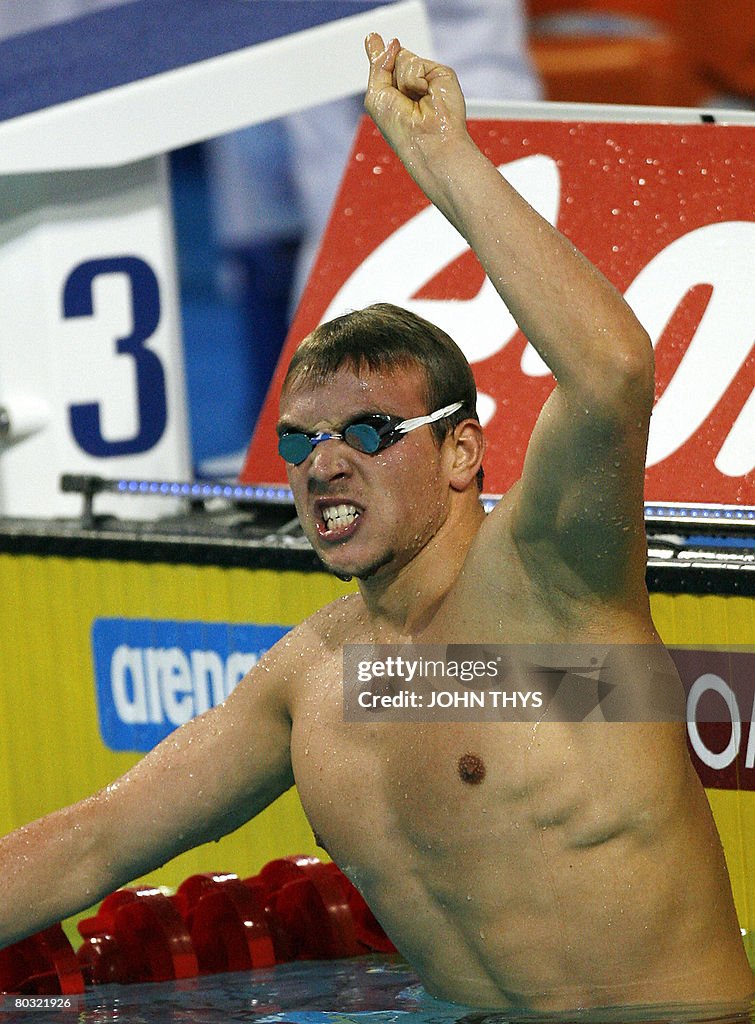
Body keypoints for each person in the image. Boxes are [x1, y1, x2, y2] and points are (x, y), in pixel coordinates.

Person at [0, 35, 752, 1012]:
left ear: (461, 451)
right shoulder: (315, 682)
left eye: (366, 429)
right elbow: (92, 840)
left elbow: (608, 373)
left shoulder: (551, 588)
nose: (325, 462)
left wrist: (446, 159)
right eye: (299, 441)